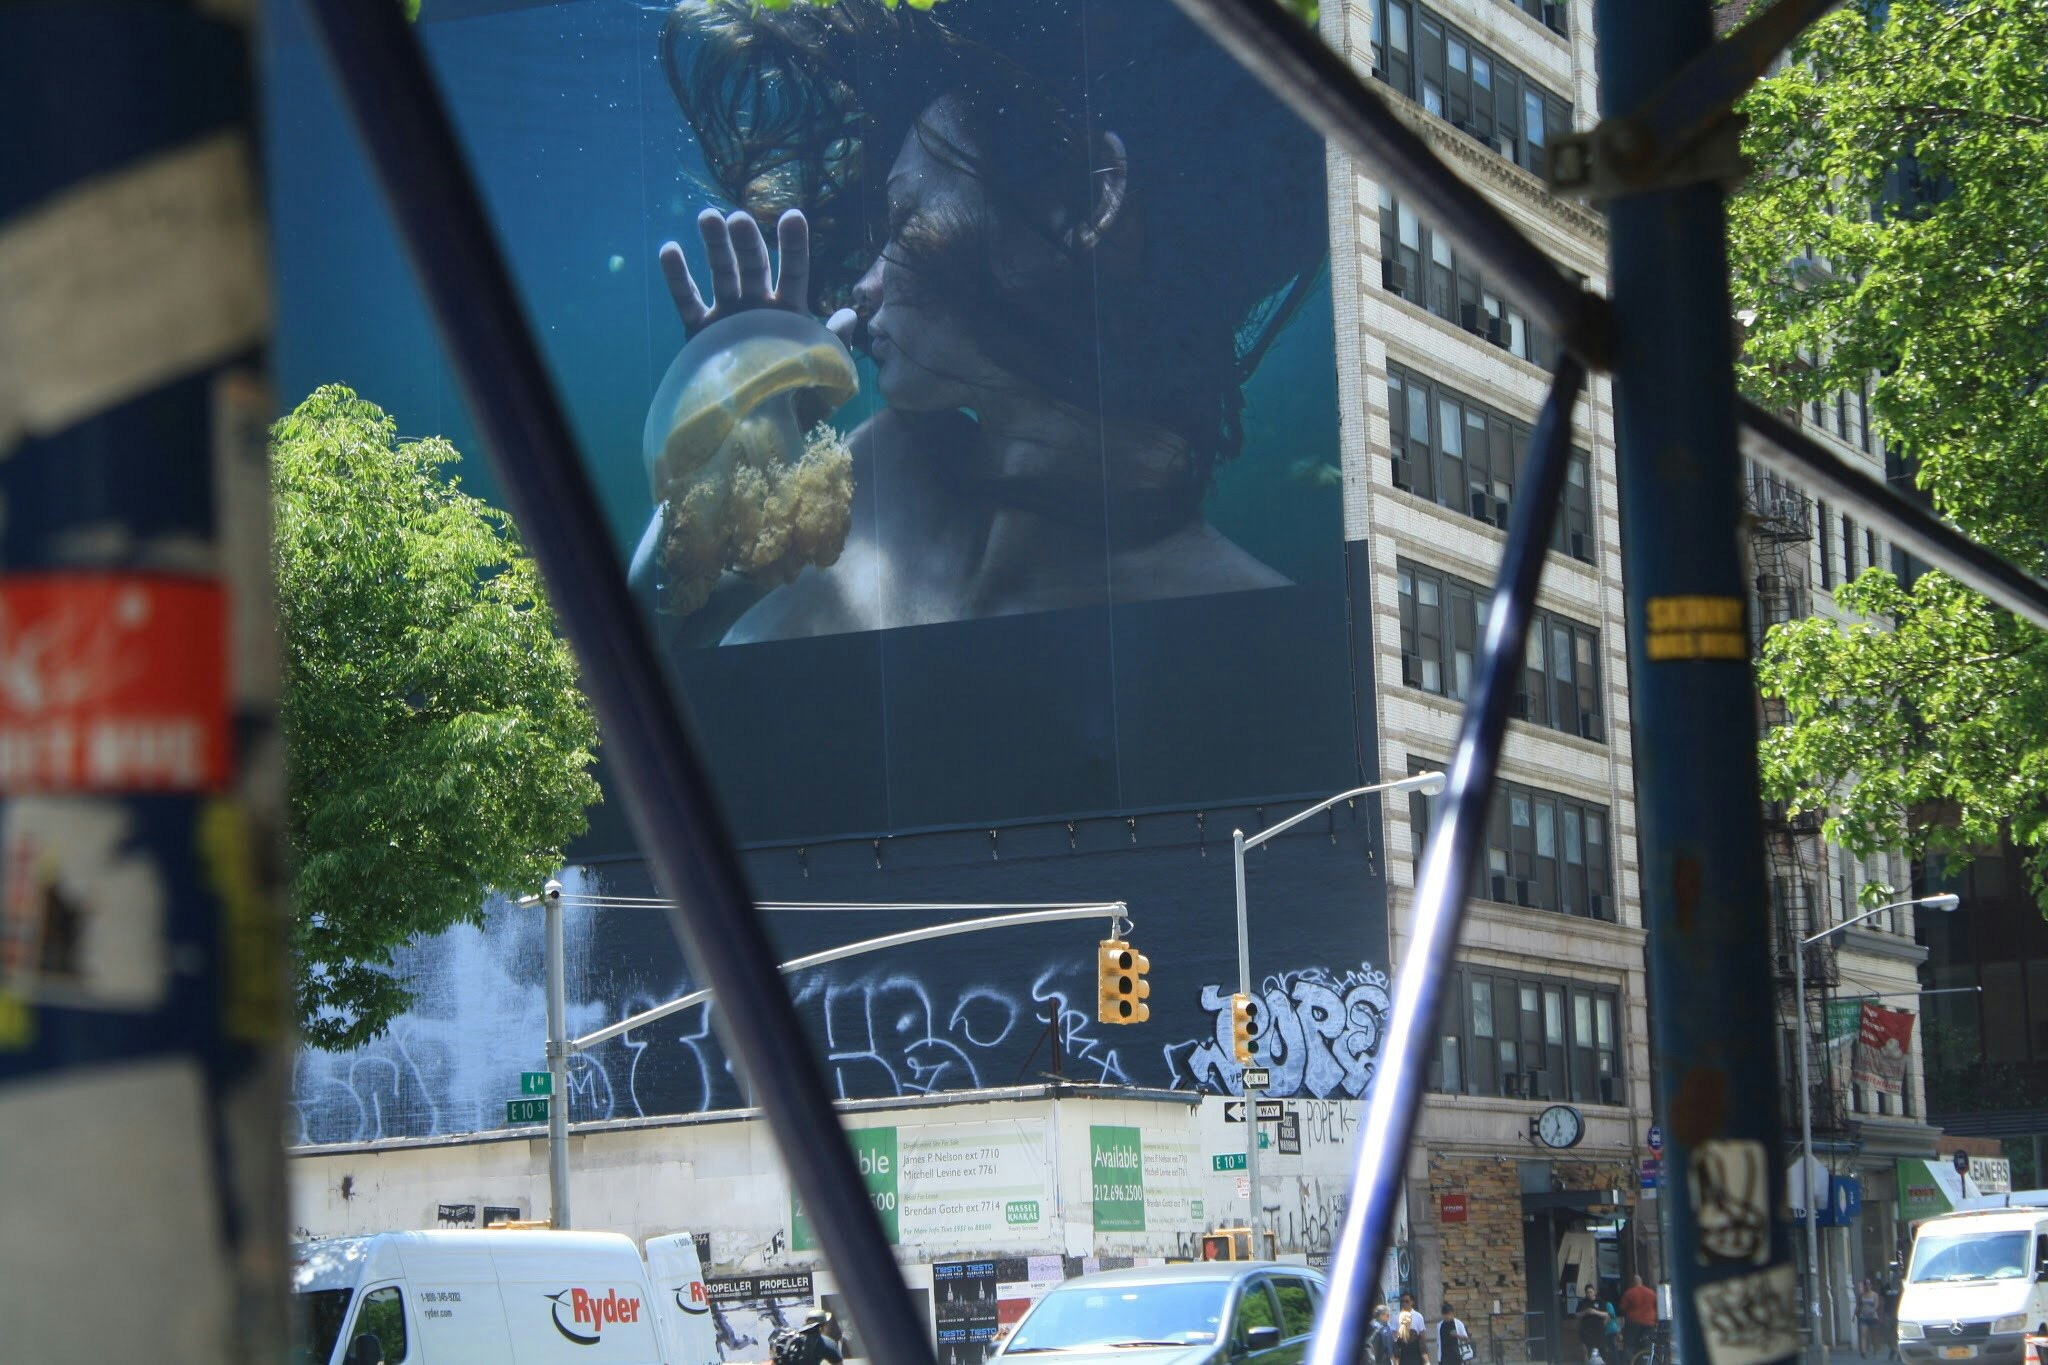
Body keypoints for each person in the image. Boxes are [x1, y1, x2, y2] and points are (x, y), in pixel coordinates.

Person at [644, 0, 1328, 643]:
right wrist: (734, 449)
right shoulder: (874, 471)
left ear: (1084, 204)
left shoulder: (1254, 631)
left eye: (905, 219)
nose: (864, 285)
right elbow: (643, 638)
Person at [1619, 1275, 1657, 1361]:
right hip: (1649, 1323)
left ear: (1633, 1282)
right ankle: (1646, 1362)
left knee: (1629, 1345)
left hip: (1633, 1322)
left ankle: (1630, 1362)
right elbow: (1656, 1307)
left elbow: (1622, 1308)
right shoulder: (1651, 1293)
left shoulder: (1629, 1293)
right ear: (1641, 1281)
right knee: (1647, 1345)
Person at [1396, 1292, 1430, 1365]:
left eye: (1407, 1301)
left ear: (1412, 1302)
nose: (1404, 1303)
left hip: (1413, 1357)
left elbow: (1422, 1340)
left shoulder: (1418, 1317)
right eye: (1402, 1301)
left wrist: (1426, 1360)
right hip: (1408, 1358)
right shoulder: (1396, 1317)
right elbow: (1395, 1346)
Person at [1574, 1298, 1611, 1365]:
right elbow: (1577, 1315)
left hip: (1598, 1331)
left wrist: (1595, 1312)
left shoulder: (1601, 1302)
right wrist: (1586, 1312)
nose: (1589, 1293)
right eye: (1587, 1292)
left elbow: (1607, 1315)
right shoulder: (1582, 1302)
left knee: (1603, 1350)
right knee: (1586, 1351)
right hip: (1586, 1331)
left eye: (1591, 1292)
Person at [1437, 1301, 1471, 1365]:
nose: (1447, 1316)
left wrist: (1457, 1335)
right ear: (1442, 1315)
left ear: (1452, 1313)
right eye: (1445, 1314)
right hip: (1444, 1357)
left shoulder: (1458, 1324)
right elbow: (1438, 1342)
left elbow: (1466, 1338)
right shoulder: (1439, 1326)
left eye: (1449, 1314)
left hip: (1456, 1356)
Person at [1858, 1277, 1882, 1356]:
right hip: (1863, 1316)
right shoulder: (1861, 1295)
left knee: (1874, 1335)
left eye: (1868, 1284)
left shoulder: (1875, 1295)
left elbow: (1876, 1305)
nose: (1867, 1286)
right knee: (1863, 1334)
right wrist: (1854, 1315)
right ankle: (1863, 1351)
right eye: (1865, 1284)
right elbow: (1858, 1305)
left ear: (1871, 1285)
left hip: (1873, 1317)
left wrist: (1873, 1310)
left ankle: (1875, 1350)